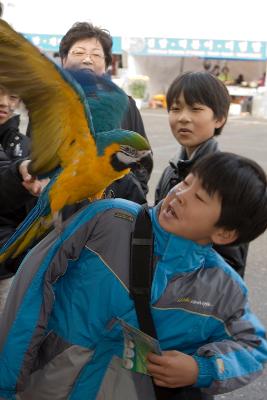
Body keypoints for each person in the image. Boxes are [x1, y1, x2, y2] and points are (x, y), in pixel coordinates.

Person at [0, 152, 267, 400]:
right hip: (45, 385)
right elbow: (33, 285)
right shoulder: (107, 219)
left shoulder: (222, 289)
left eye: (200, 197)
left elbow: (255, 350)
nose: (181, 195)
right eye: (186, 182)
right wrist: (6, 381)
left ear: (224, 234)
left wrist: (202, 369)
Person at [155, 71, 248, 278]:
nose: (183, 118)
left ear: (220, 119)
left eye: (196, 109)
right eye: (175, 109)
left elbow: (231, 263)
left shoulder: (227, 180)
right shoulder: (171, 171)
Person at [59, 21, 153, 198]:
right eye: (78, 53)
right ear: (63, 60)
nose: (87, 59)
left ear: (106, 65)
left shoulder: (125, 105)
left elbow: (143, 160)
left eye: (96, 55)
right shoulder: (49, 106)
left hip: (110, 213)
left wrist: (126, 199)